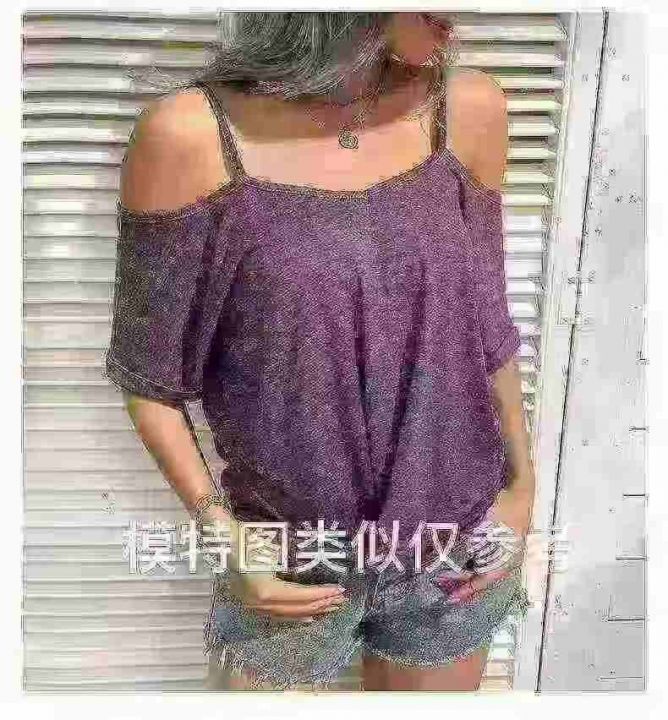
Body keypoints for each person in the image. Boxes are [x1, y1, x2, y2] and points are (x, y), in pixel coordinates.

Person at [105, 12, 535, 691]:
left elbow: (487, 323)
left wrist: (521, 489)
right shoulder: (190, 136)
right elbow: (148, 376)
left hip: (453, 551)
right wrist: (226, 538)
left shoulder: (468, 110)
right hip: (288, 557)